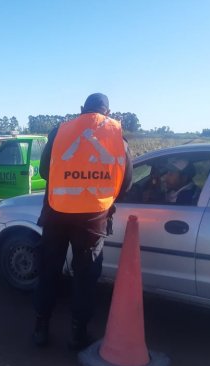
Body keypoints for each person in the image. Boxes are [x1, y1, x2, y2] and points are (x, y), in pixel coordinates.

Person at [33, 93, 133, 350]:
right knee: (85, 278)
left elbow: (45, 171)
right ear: (107, 113)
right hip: (93, 218)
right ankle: (77, 335)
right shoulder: (117, 136)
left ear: (81, 109)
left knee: (49, 271)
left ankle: (41, 329)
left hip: (57, 213)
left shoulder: (60, 131)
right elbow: (126, 182)